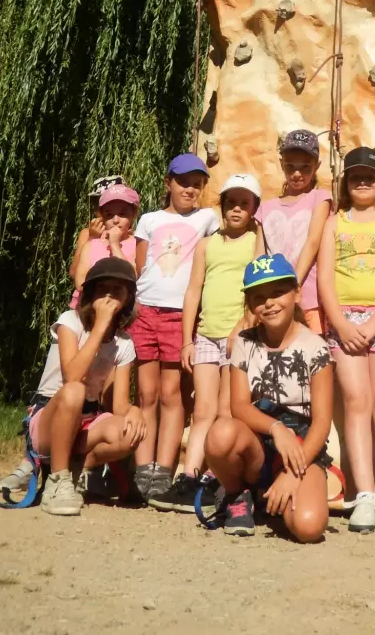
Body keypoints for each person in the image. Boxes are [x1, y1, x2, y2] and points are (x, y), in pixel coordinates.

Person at [149, 173, 262, 511]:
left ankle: (218, 478)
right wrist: (187, 340)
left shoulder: (256, 241)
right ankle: (189, 476)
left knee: (228, 411)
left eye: (244, 203)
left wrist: (241, 327)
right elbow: (193, 289)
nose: (237, 209)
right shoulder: (206, 244)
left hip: (237, 335)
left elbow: (257, 287)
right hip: (206, 334)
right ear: (222, 207)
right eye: (231, 203)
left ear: (254, 209)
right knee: (202, 410)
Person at [203, 253, 334, 542]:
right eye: (259, 297)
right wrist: (276, 429)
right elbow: (238, 406)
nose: (270, 303)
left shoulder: (317, 348)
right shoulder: (244, 343)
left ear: (297, 292)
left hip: (301, 446)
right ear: (250, 304)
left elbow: (322, 422)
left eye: (278, 292)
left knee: (309, 528)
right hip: (258, 440)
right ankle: (238, 494)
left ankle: (276, 493)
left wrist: (294, 472)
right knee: (220, 434)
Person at [317, 146, 375, 533]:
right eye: (356, 175)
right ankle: (365, 496)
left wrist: (372, 326)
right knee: (356, 403)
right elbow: (324, 279)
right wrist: (340, 324)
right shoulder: (333, 224)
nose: (363, 181)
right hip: (344, 321)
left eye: (370, 175)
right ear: (346, 182)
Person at [129, 152, 219, 502]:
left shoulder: (207, 219)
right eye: (184, 182)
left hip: (179, 316)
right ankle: (143, 467)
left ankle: (164, 470)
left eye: (197, 184)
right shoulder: (149, 221)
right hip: (146, 311)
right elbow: (141, 267)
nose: (190, 189)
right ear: (168, 183)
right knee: (146, 394)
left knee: (171, 395)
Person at [30, 258, 145, 516]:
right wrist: (100, 327)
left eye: (117, 290)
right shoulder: (69, 322)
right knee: (75, 390)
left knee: (129, 432)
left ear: (128, 298)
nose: (109, 295)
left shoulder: (124, 344)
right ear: (89, 295)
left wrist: (134, 411)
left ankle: (76, 469)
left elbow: (119, 406)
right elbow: (72, 375)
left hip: (86, 421)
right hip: (50, 414)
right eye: (102, 288)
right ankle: (57, 482)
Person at [255, 129, 333, 334]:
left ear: (317, 166)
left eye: (305, 167)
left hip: (307, 298)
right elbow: (259, 256)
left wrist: (292, 284)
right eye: (290, 166)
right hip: (272, 301)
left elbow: (313, 242)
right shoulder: (266, 208)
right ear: (281, 164)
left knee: (311, 357)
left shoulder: (320, 198)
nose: (297, 173)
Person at [70, 182, 139, 306]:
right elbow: (79, 281)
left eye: (122, 214)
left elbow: (133, 279)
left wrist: (114, 244)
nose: (116, 220)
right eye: (109, 214)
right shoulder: (91, 244)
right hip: (87, 309)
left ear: (134, 214)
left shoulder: (137, 244)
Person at [67, 174, 126, 283]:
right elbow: (74, 272)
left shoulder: (131, 236)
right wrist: (92, 238)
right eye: (98, 203)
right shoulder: (87, 233)